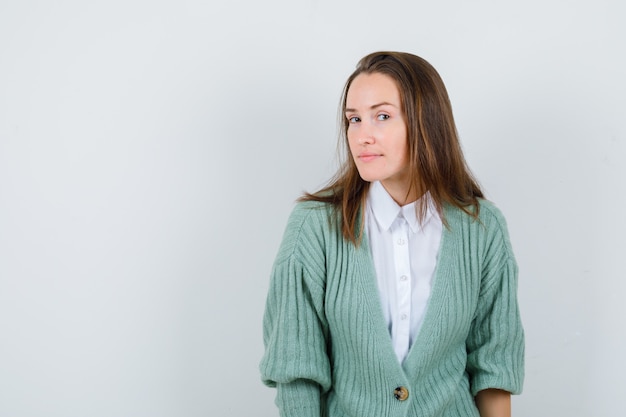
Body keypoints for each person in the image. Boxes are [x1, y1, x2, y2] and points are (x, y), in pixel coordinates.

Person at [260, 51, 524, 417]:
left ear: (426, 122)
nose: (362, 136)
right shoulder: (313, 226)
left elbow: (494, 368)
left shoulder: (482, 228)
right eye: (353, 119)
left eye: (381, 116)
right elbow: (297, 372)